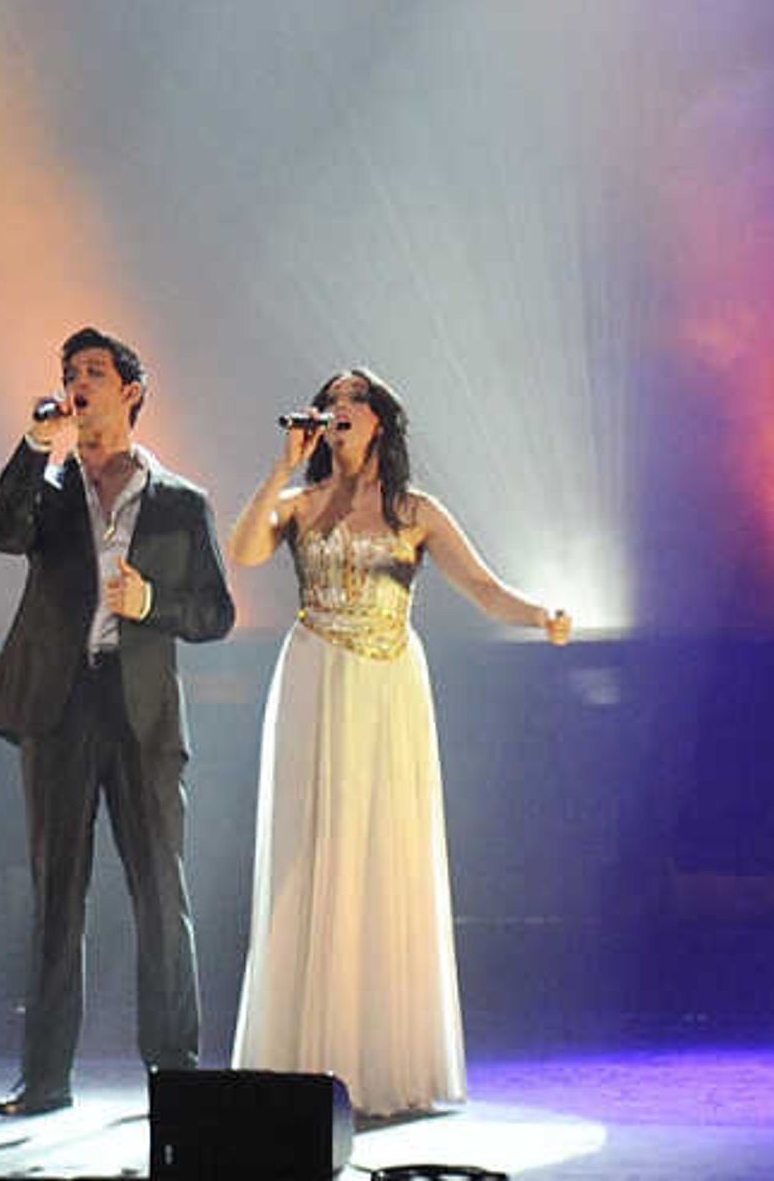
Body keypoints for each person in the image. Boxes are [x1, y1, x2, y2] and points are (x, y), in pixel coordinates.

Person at [225, 367, 570, 1119]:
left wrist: (541, 612)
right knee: (309, 853)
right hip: (315, 675)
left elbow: (483, 588)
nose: (340, 411)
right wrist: (283, 467)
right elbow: (245, 551)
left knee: (383, 850)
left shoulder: (416, 511)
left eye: (355, 400)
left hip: (388, 685)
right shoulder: (301, 502)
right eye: (332, 401)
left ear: (381, 419)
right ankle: (302, 1057)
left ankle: (383, 1055)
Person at [0, 326, 237, 1116]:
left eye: (94, 372)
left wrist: (153, 603)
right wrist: (31, 444)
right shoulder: (47, 488)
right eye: (69, 372)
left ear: (131, 393)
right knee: (58, 893)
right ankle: (45, 1080)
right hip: (59, 705)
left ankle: (175, 1077)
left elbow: (217, 613)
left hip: (141, 710)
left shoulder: (181, 502)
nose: (78, 382)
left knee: (159, 890)